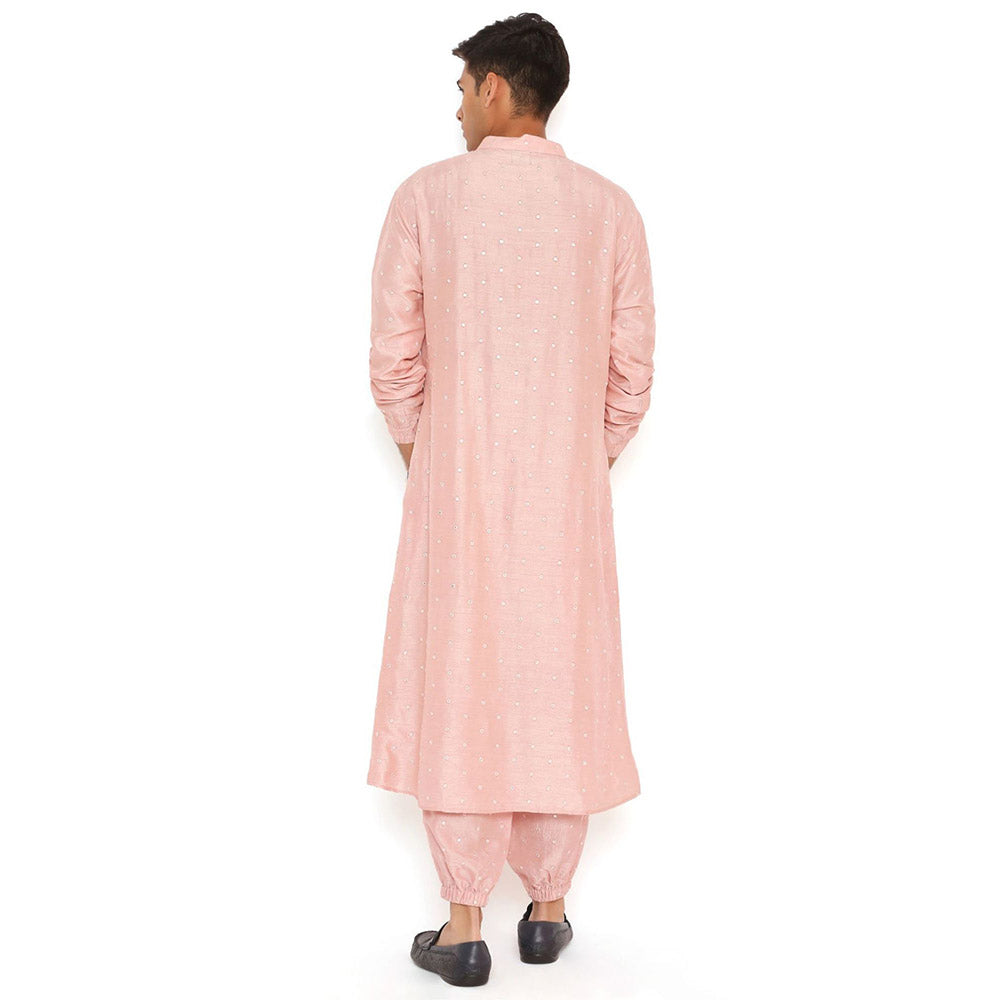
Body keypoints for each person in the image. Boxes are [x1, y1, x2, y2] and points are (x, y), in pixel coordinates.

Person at [366, 13, 656, 986]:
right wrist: (571, 464)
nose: (456, 109)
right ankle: (547, 909)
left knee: (461, 682)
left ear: (494, 86)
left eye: (461, 90)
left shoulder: (427, 198)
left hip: (456, 497)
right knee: (555, 680)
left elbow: (393, 361)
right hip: (566, 506)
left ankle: (462, 927)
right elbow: (632, 377)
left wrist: (436, 460)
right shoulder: (610, 210)